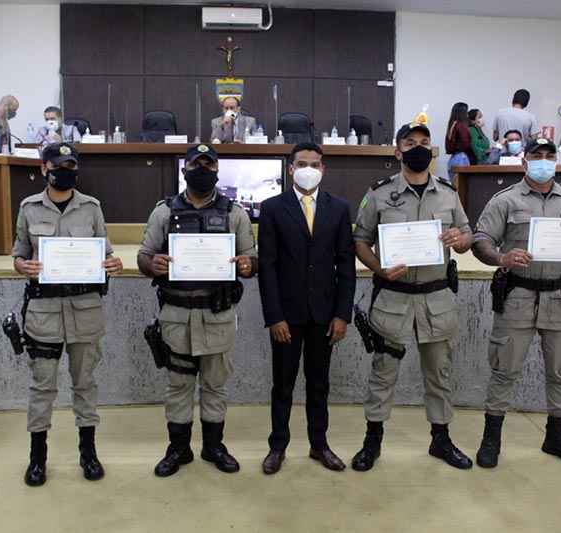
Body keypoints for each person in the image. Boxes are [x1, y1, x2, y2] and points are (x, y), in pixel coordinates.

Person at [472, 137, 561, 469]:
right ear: (525, 161)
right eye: (537, 155)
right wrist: (502, 257)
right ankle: (491, 438)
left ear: (556, 160)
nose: (543, 161)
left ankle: (556, 437)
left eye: (550, 155)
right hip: (518, 296)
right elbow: (481, 240)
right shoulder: (505, 200)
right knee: (504, 370)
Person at [351, 122, 474, 472]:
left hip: (436, 299)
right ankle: (372, 441)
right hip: (394, 298)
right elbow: (360, 240)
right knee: (382, 374)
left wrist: (460, 240)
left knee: (439, 374)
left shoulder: (448, 193)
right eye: (409, 143)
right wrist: (379, 269)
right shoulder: (379, 194)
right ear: (398, 152)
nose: (417, 148)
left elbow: (467, 234)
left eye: (423, 142)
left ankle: (441, 439)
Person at [137, 143, 258, 477]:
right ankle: (178, 448)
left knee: (216, 384)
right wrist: (152, 264)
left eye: (208, 164)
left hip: (217, 314)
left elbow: (252, 258)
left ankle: (213, 446)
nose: (202, 169)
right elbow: (144, 256)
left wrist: (248, 265)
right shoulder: (164, 212)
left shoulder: (235, 213)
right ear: (185, 170)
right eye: (196, 164)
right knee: (178, 385)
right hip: (176, 316)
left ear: (217, 170)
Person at [11, 142, 124, 487]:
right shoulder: (29, 208)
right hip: (43, 312)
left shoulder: (91, 208)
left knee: (85, 383)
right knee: (42, 386)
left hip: (84, 309)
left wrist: (113, 263)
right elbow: (18, 254)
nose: (66, 170)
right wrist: (23, 267)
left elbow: (105, 252)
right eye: (59, 165)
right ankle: (37, 458)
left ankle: (88, 453)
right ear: (44, 168)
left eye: (71, 165)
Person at [258, 142, 356, 474]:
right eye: (302, 164)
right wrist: (275, 316)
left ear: (323, 169)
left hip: (324, 315)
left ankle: (319, 444)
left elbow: (346, 265)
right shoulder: (272, 208)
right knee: (282, 384)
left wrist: (342, 314)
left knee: (319, 384)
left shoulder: (339, 208)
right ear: (291, 169)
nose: (308, 169)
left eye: (315, 164)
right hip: (287, 315)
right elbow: (268, 268)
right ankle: (277, 447)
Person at [445, 102, 476, 181]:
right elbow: (466, 143)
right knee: (463, 186)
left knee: (454, 185)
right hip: (461, 159)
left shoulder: (451, 125)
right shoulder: (461, 125)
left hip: (453, 159)